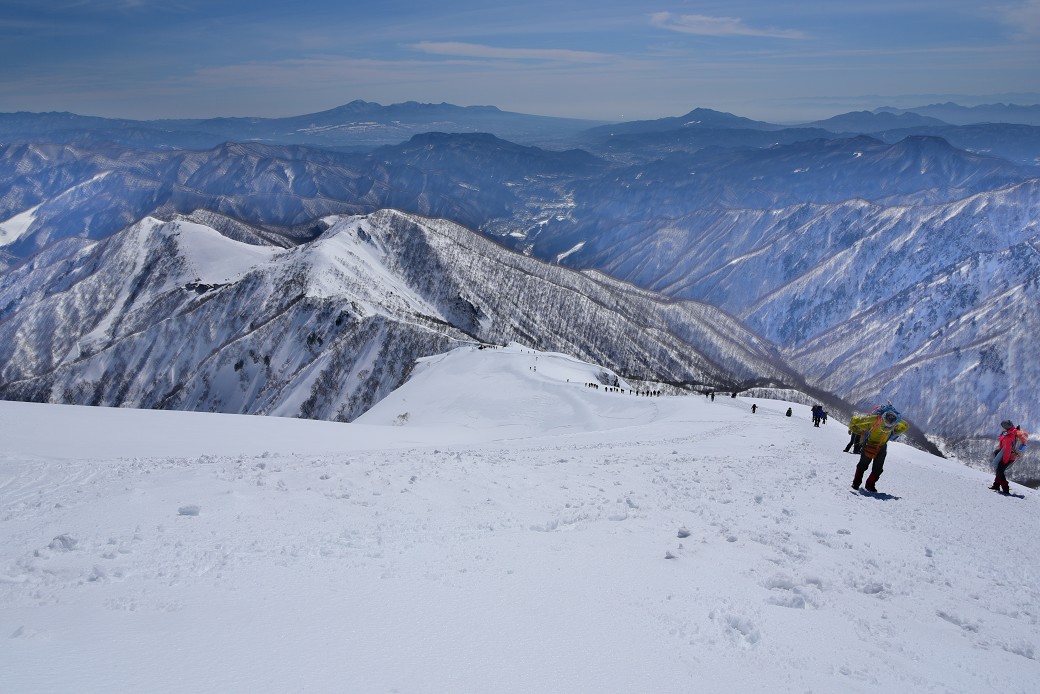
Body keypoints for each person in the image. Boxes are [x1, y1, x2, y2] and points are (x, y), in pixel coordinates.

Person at [849, 404, 910, 492]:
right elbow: (905, 426)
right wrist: (895, 431)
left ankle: (862, 484)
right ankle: (862, 484)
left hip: (876, 445)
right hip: (875, 444)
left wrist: (855, 429)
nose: (888, 424)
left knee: (873, 467)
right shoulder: (877, 419)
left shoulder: (885, 420)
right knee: (866, 465)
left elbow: (856, 420)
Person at [989, 420, 1025, 494]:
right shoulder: (1010, 432)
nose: (1001, 428)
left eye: (1002, 427)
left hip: (1008, 457)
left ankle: (1005, 488)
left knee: (999, 470)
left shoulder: (1009, 436)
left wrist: (1004, 461)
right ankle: (996, 485)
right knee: (999, 470)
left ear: (1005, 427)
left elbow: (1007, 451)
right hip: (1005, 454)